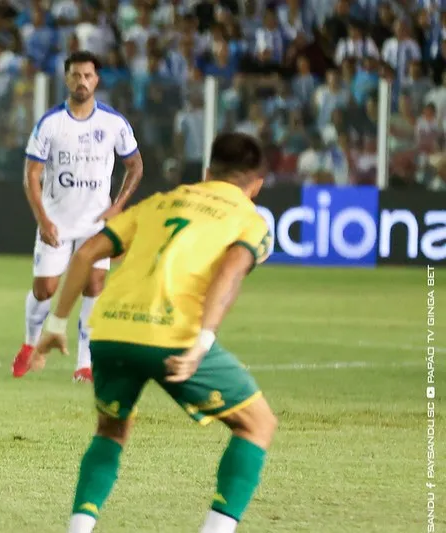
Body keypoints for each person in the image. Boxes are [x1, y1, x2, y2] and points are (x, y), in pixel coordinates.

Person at [32, 132, 278, 533]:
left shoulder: (159, 203)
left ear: (206, 171)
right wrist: (203, 340)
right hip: (172, 335)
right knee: (257, 424)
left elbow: (86, 253)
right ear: (257, 185)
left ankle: (78, 528)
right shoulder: (248, 219)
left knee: (111, 428)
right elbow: (231, 272)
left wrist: (58, 323)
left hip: (110, 330)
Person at [11, 50, 144, 382]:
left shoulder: (113, 123)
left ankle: (84, 364)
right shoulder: (51, 123)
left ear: (96, 80)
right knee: (45, 289)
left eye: (88, 75)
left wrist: (118, 206)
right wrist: (43, 220)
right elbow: (31, 175)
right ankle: (30, 344)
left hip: (96, 223)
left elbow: (135, 166)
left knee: (94, 285)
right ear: (66, 79)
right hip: (57, 220)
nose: (82, 81)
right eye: (76, 75)